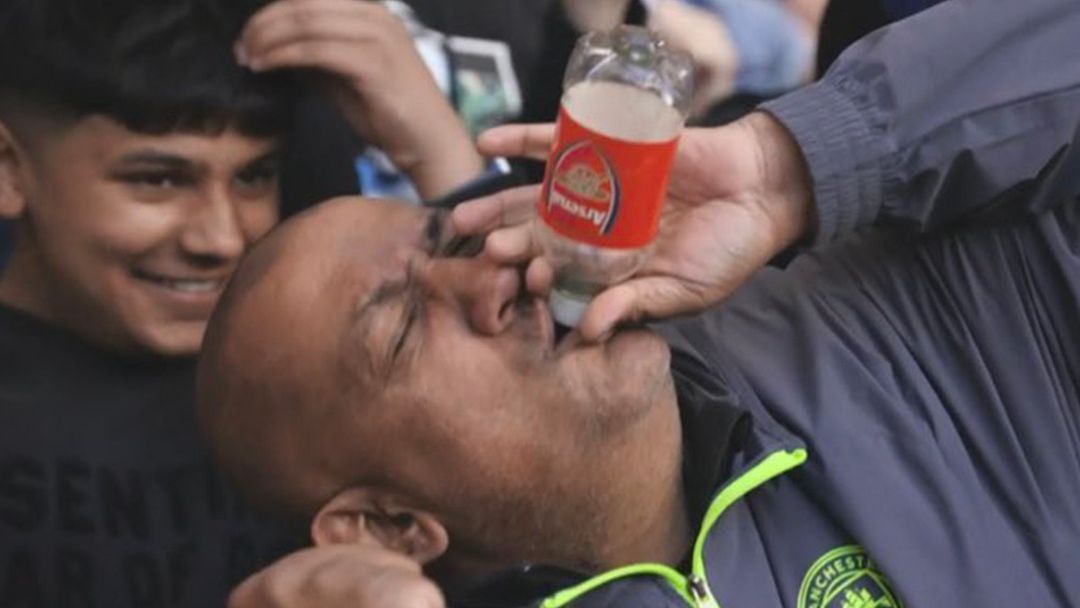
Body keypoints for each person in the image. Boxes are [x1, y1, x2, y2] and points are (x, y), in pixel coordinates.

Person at [198, 0, 1080, 606]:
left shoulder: (883, 314)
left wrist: (795, 167)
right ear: (390, 526)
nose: (492, 278)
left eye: (456, 240)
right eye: (400, 331)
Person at [0, 0, 482, 604]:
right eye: (159, 179)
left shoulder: (333, 370)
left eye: (253, 176)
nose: (222, 239)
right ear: (9, 169)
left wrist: (443, 159)